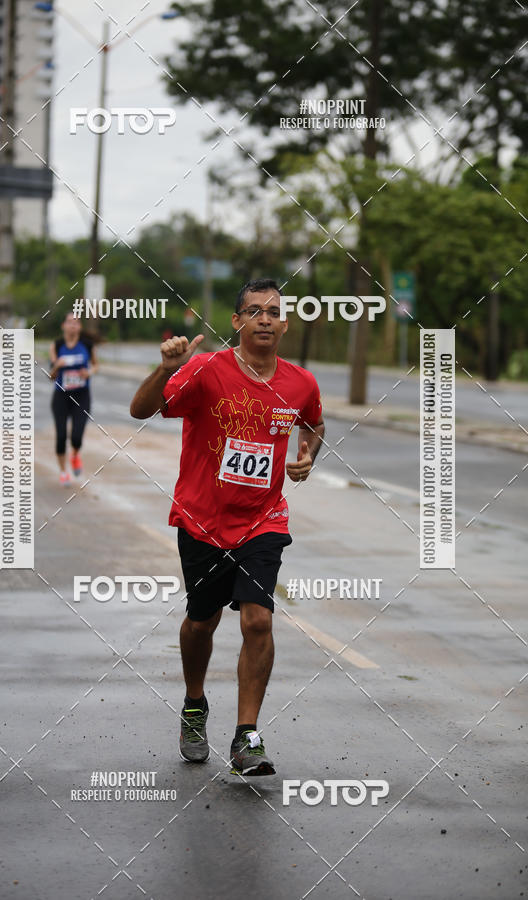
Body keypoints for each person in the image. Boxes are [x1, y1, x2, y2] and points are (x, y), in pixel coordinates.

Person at [130, 278, 325, 776]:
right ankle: (195, 704)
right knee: (202, 622)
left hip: (263, 520)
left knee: (258, 619)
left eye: (274, 311)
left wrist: (307, 455)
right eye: (254, 310)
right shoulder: (205, 370)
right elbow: (141, 409)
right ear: (236, 321)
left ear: (284, 324)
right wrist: (166, 368)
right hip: (202, 520)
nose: (265, 318)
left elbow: (313, 424)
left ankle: (247, 737)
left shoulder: (301, 382)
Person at [49, 312, 98, 486]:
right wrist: (57, 366)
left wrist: (89, 373)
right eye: (69, 322)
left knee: (76, 436)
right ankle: (63, 472)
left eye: (76, 323)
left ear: (80, 327)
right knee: (61, 436)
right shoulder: (57, 345)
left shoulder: (87, 345)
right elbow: (51, 375)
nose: (72, 325)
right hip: (61, 396)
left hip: (81, 395)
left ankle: (75, 455)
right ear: (64, 325)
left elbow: (96, 365)